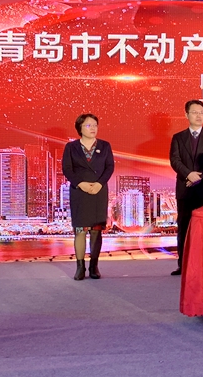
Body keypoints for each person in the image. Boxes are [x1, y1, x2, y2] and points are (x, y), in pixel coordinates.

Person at [169, 100, 203, 275]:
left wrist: (199, 176)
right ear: (186, 115)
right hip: (185, 188)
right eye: (194, 112)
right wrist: (188, 174)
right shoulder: (178, 137)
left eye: (201, 112)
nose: (199, 116)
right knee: (184, 227)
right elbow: (175, 160)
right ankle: (183, 264)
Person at [61, 113, 114, 281]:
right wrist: (80, 183)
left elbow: (109, 167)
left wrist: (99, 184)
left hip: (99, 191)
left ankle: (93, 266)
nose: (93, 128)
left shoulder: (105, 146)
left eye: (95, 125)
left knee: (96, 231)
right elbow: (67, 169)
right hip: (79, 192)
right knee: (80, 231)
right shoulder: (71, 147)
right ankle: (80, 267)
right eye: (88, 125)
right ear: (80, 128)